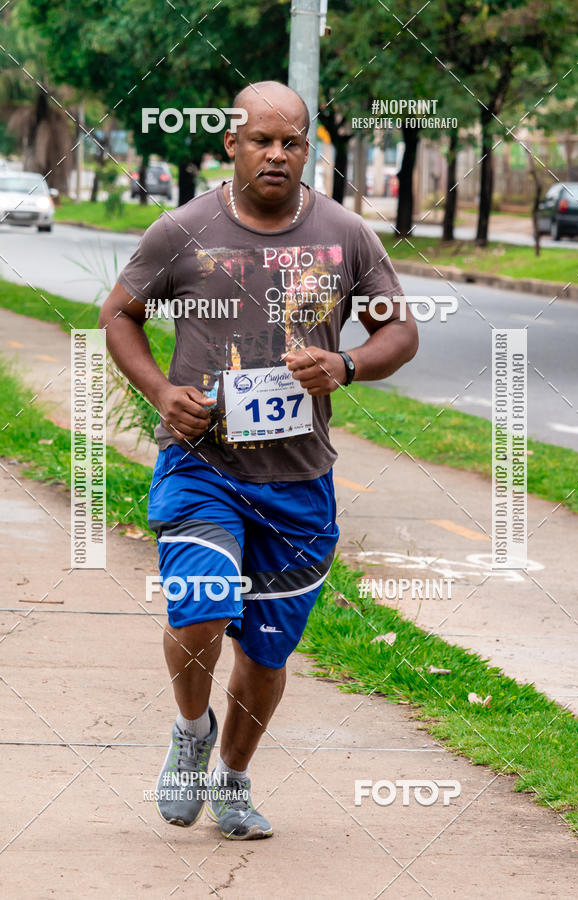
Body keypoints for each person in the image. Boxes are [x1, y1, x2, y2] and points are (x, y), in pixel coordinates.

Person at [99, 80, 418, 840]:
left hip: (299, 480)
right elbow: (119, 314)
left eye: (293, 142)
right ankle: (188, 732)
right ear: (231, 145)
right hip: (201, 463)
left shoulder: (345, 233)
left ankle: (234, 779)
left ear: (308, 149)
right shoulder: (181, 230)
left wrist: (347, 365)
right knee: (202, 602)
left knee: (267, 652)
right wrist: (159, 390)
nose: (277, 154)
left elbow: (399, 330)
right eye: (262, 140)